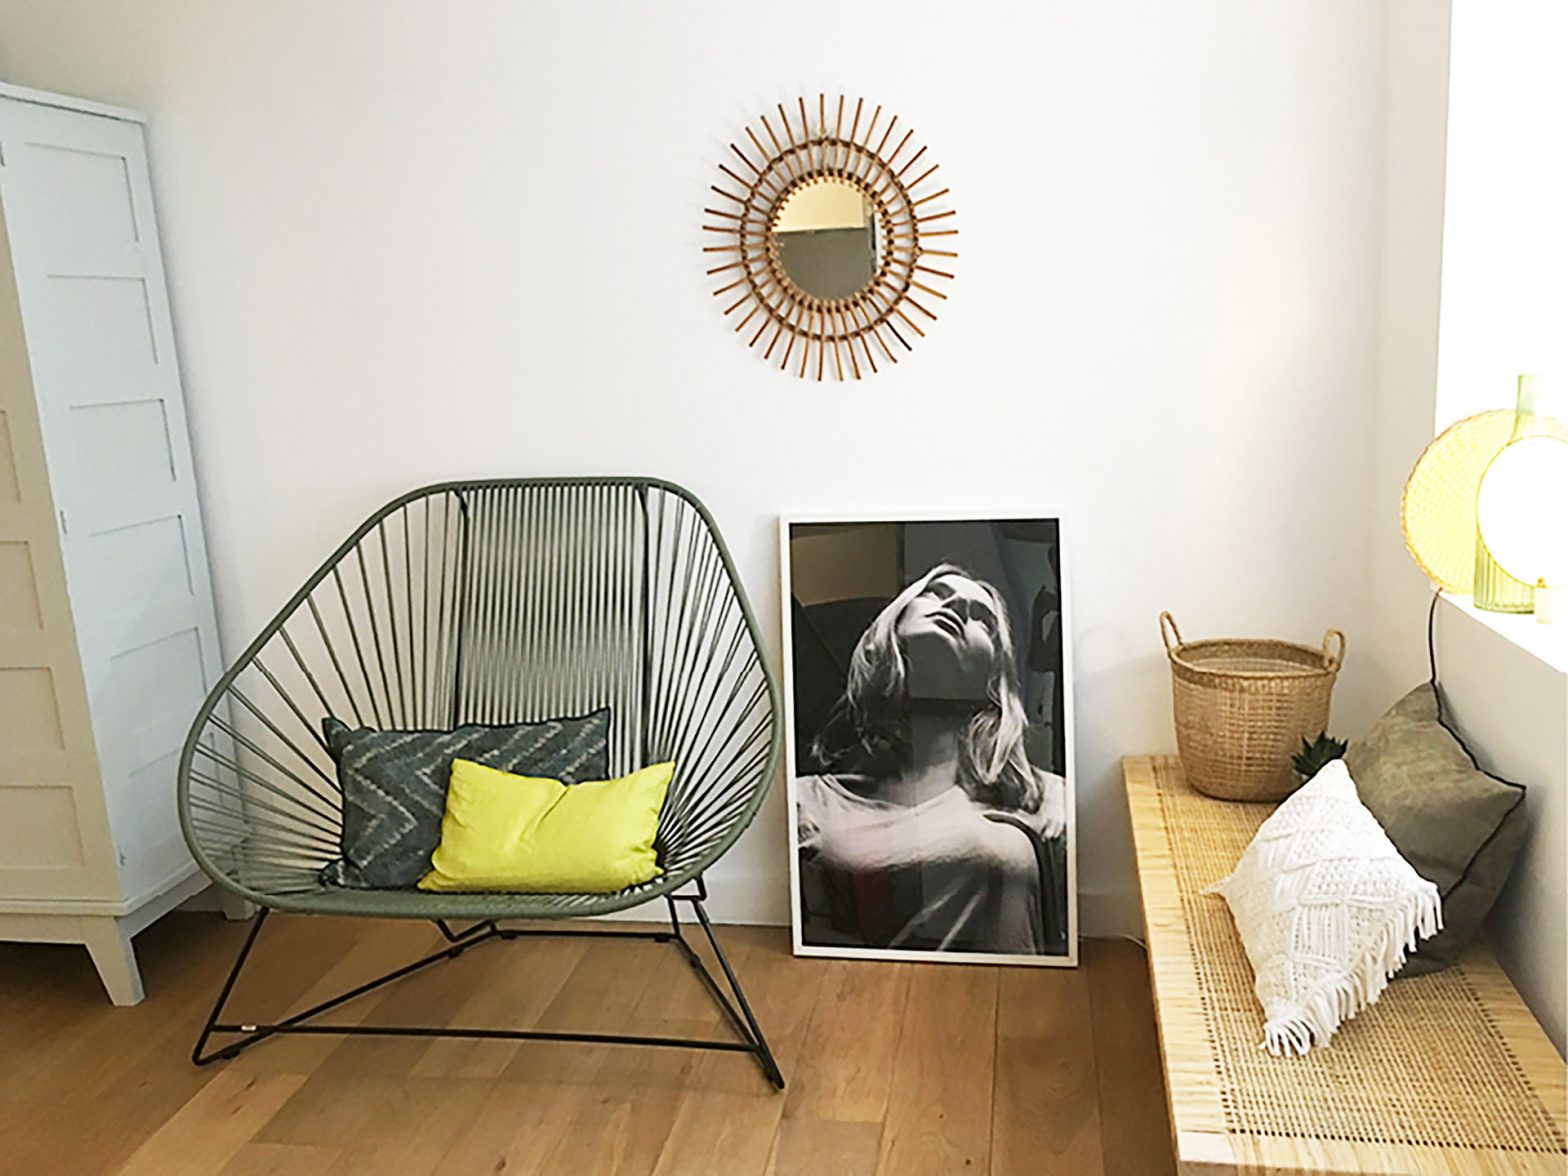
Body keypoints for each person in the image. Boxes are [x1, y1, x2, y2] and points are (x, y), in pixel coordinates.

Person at [796, 562, 1067, 955]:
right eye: (935, 593)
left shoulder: (1042, 795)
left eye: (983, 619)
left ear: (994, 677)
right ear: (891, 628)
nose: (957, 605)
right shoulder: (807, 799)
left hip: (1008, 990)